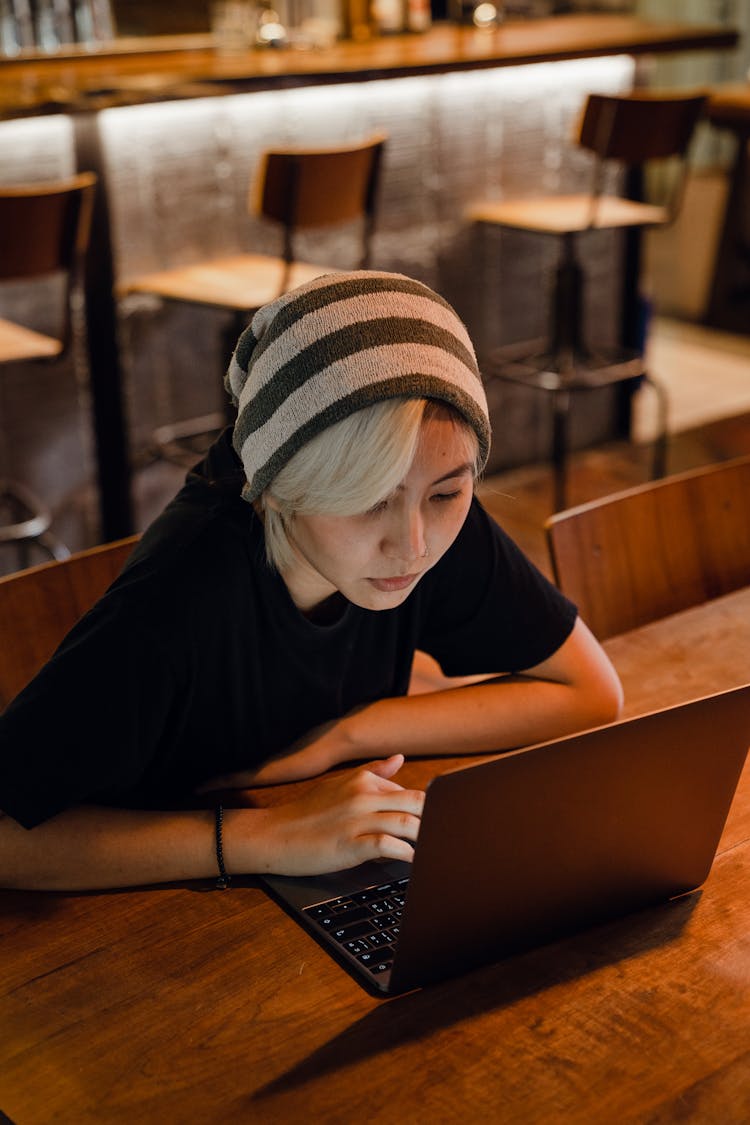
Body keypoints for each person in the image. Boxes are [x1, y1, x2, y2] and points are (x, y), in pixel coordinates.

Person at [0, 270, 622, 891]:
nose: (413, 545)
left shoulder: (424, 496)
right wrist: (265, 837)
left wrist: (346, 735)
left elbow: (591, 692)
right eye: (368, 499)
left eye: (449, 492)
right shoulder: (176, 604)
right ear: (278, 487)